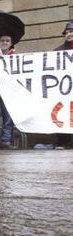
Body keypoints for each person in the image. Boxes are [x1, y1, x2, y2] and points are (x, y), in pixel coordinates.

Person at [53, 20, 73, 150]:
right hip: (65, 89)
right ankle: (62, 141)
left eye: (71, 31)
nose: (69, 34)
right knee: (66, 113)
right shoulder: (57, 51)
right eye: (66, 32)